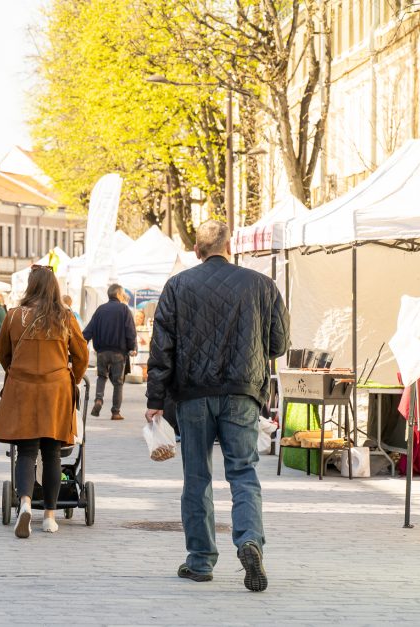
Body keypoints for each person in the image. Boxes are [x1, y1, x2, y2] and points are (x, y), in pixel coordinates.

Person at [146, 220, 288, 592]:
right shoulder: (262, 285)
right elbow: (279, 343)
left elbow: (162, 348)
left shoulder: (178, 285)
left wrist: (155, 399)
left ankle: (200, 561)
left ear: (197, 250)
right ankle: (250, 541)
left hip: (192, 395)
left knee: (197, 477)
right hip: (242, 393)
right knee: (243, 472)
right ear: (231, 248)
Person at [0, 265, 88, 538]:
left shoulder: (13, 316)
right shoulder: (65, 317)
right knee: (52, 454)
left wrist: (17, 374)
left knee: (25, 453)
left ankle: (24, 503)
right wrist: (74, 379)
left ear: (30, 286)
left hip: (23, 390)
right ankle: (49, 516)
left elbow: (3, 354)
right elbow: (81, 355)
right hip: (55, 391)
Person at [82, 284, 137, 421]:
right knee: (118, 383)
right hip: (118, 352)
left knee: (102, 377)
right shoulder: (124, 309)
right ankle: (115, 412)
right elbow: (130, 330)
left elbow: (88, 330)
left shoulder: (100, 310)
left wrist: (83, 343)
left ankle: (99, 400)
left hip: (101, 352)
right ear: (118, 294)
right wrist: (132, 347)